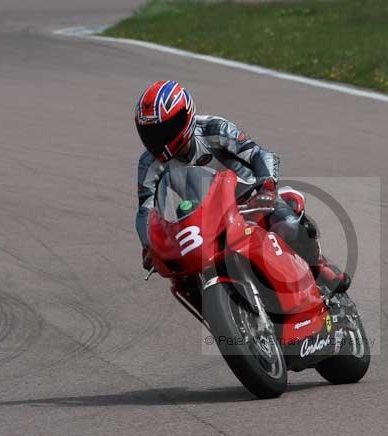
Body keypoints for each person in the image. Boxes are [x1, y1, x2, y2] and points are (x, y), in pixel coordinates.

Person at [134, 80, 350, 294]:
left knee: (288, 223)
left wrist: (266, 188)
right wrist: (148, 245)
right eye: (150, 134)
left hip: (251, 202)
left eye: (165, 130)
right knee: (182, 276)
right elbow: (145, 210)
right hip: (206, 220)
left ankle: (318, 267)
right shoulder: (149, 163)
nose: (158, 140)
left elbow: (260, 155)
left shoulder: (213, 129)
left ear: (185, 116)